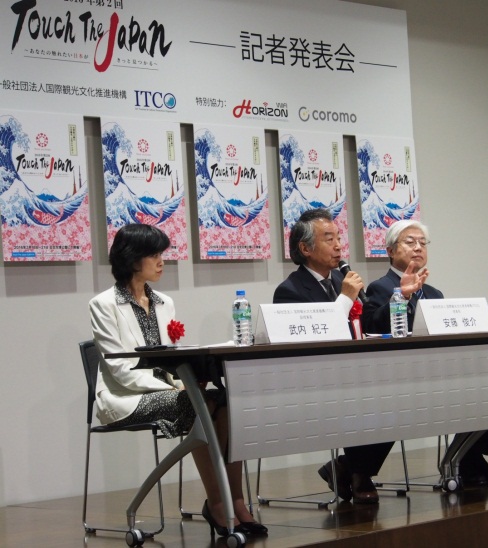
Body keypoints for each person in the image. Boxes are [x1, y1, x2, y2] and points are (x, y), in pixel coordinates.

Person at [89, 224, 267, 539]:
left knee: (227, 403)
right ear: (132, 259)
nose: (162, 261)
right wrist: (177, 386)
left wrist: (187, 380)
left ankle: (236, 501)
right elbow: (120, 370)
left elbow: (173, 357)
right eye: (154, 255)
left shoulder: (164, 302)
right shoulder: (103, 305)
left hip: (174, 392)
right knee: (200, 405)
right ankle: (218, 504)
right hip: (126, 397)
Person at [362, 220, 488, 486]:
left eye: (423, 243)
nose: (418, 247)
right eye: (410, 242)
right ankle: (353, 467)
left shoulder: (433, 293)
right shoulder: (380, 287)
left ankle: (467, 458)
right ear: (391, 251)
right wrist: (402, 296)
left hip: (438, 371)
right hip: (401, 376)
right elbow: (372, 326)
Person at [273, 208, 383, 504]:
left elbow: (367, 326)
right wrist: (345, 299)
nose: (338, 246)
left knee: (392, 395)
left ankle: (350, 467)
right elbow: (315, 336)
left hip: (352, 374)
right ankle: (358, 472)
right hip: (314, 380)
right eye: (329, 239)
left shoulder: (339, 280)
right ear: (305, 248)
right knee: (366, 398)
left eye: (339, 238)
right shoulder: (289, 291)